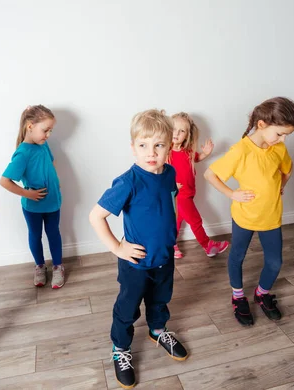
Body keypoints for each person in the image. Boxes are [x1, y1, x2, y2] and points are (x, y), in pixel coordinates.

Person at [89, 109, 188, 389]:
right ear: (133, 147)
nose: (151, 152)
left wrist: (172, 235)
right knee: (128, 307)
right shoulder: (128, 181)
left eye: (158, 145)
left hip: (164, 255)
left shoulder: (170, 172)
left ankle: (157, 331)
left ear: (170, 146)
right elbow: (95, 216)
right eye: (143, 145)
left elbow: (171, 201)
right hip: (136, 263)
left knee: (160, 298)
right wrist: (118, 248)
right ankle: (120, 347)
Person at [205, 97, 294, 326]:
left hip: (271, 216)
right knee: (237, 256)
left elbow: (287, 169)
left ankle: (261, 293)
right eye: (280, 133)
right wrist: (232, 194)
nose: (283, 139)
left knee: (275, 262)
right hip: (245, 216)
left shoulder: (278, 148)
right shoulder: (240, 151)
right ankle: (238, 297)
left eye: (287, 134)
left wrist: (280, 186)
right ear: (261, 125)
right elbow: (210, 174)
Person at [0, 105, 65, 288]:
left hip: (53, 202)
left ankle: (58, 266)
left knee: (54, 233)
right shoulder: (23, 152)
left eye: (50, 130)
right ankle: (40, 267)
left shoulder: (43, 145)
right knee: (35, 235)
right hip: (33, 206)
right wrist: (26, 193)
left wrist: (55, 181)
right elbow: (5, 181)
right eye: (45, 130)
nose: (48, 134)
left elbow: (50, 162)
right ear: (30, 126)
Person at [169, 112, 229, 259]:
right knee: (195, 220)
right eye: (173, 129)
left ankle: (170, 244)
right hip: (178, 195)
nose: (176, 133)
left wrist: (206, 153)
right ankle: (207, 245)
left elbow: (196, 158)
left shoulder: (188, 151)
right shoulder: (166, 152)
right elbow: (159, 172)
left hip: (189, 193)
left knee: (177, 221)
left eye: (181, 131)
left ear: (187, 135)